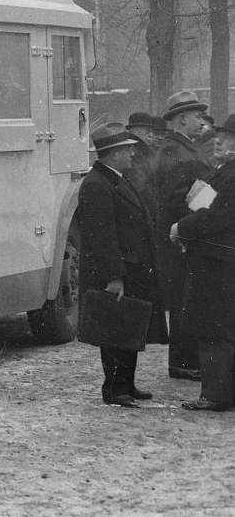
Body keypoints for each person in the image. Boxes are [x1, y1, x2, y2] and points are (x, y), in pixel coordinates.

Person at [76, 122, 167, 407]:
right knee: (115, 330)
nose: (132, 155)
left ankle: (127, 384)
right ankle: (115, 389)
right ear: (114, 154)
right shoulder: (97, 184)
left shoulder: (114, 178)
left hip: (131, 269)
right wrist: (113, 277)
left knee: (128, 325)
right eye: (128, 150)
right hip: (117, 273)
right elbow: (101, 236)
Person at [174, 114, 235, 410]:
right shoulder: (225, 170)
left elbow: (215, 216)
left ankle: (214, 395)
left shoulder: (231, 174)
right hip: (219, 260)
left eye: (226, 137)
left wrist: (180, 229)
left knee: (213, 329)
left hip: (217, 263)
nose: (218, 141)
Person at [152, 90, 215, 381]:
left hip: (182, 240)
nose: (202, 120)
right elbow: (173, 201)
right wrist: (205, 207)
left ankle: (185, 361)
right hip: (182, 243)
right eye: (198, 115)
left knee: (186, 302)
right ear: (182, 117)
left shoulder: (179, 148)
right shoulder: (176, 152)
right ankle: (183, 363)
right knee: (184, 302)